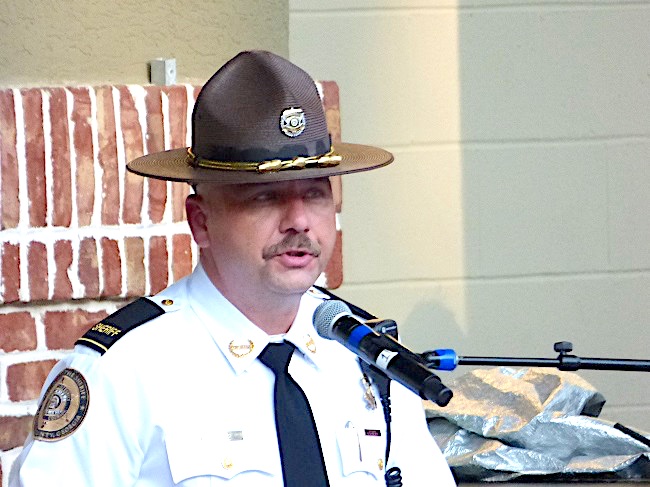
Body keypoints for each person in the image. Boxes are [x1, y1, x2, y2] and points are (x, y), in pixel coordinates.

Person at [10, 50, 456, 486]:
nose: (299, 220)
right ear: (201, 222)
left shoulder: (367, 358)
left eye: (315, 193)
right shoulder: (124, 372)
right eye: (265, 196)